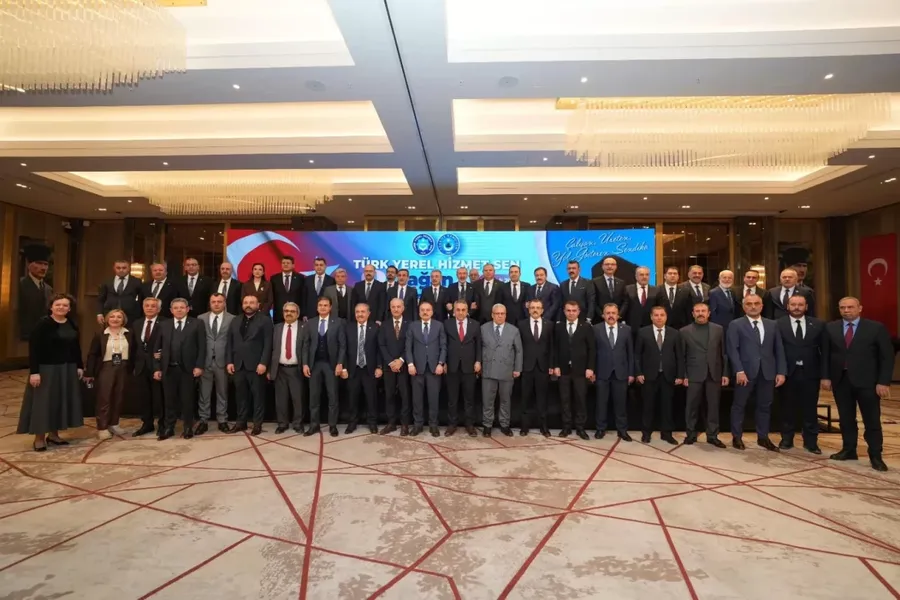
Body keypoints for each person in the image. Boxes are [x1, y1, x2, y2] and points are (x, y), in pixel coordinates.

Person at [821, 296, 893, 471]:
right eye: (843, 308)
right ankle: (849, 449)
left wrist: (883, 382)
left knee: (872, 420)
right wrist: (825, 377)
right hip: (841, 380)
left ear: (860, 308)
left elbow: (887, 357)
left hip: (868, 382)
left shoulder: (876, 328)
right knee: (846, 418)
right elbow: (825, 355)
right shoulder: (830, 327)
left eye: (850, 307)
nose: (846, 310)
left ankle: (875, 455)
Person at [17, 294, 83, 452]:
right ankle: (39, 438)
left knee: (59, 401)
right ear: (51, 307)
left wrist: (79, 366)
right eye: (58, 304)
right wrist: (34, 372)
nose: (61, 307)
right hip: (47, 369)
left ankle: (54, 435)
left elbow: (76, 347)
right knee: (44, 403)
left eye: (65, 305)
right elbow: (34, 349)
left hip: (67, 369)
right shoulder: (43, 324)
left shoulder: (72, 323)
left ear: (69, 308)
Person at [726, 294, 787, 451]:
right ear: (743, 306)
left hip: (768, 372)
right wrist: (739, 370)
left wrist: (781, 372)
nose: (753, 306)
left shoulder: (772, 324)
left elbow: (779, 349)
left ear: (762, 306)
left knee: (765, 406)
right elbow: (732, 350)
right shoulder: (735, 324)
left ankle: (763, 437)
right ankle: (737, 437)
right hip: (745, 373)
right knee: (739, 405)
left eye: (756, 303)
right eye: (749, 304)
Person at [777, 295, 825, 453]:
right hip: (787, 373)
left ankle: (811, 442)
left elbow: (824, 351)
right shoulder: (778, 324)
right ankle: (786, 439)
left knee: (810, 408)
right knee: (787, 407)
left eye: (800, 304)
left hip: (811, 373)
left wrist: (825, 375)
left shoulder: (818, 324)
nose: (797, 307)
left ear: (806, 307)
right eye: (793, 304)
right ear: (788, 306)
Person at [154, 298, 205, 440]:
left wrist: (199, 366)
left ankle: (188, 427)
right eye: (175, 308)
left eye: (182, 307)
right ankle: (169, 428)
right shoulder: (163, 325)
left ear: (187, 309)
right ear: (171, 310)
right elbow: (157, 348)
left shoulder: (197, 323)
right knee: (169, 400)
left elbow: (202, 347)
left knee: (187, 400)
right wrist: (157, 368)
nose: (179, 310)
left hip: (188, 369)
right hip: (168, 369)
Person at [679, 303, 728, 447]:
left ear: (709, 313)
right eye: (697, 311)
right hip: (693, 374)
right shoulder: (684, 331)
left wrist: (725, 373)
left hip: (714, 373)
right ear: (693, 314)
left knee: (713, 406)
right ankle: (691, 434)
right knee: (691, 406)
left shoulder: (718, 329)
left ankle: (712, 435)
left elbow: (724, 353)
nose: (700, 313)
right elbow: (682, 356)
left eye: (703, 311)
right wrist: (684, 375)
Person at [227, 294, 274, 436]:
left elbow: (268, 344)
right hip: (238, 365)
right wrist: (229, 361)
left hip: (256, 366)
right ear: (242, 305)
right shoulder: (235, 320)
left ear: (258, 305)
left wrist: (263, 363)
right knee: (240, 396)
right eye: (246, 302)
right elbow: (230, 342)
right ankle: (241, 423)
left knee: (258, 397)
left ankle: (257, 424)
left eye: (252, 302)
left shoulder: (265, 320)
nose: (248, 305)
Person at [635, 306, 683, 445]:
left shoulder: (675, 333)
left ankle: (666, 434)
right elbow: (637, 355)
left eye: (662, 315)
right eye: (656, 315)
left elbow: (679, 356)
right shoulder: (643, 332)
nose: (659, 317)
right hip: (649, 375)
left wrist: (680, 375)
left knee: (667, 406)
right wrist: (638, 372)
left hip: (668, 376)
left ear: (666, 317)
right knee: (648, 406)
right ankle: (646, 433)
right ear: (651, 317)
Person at [302, 296, 345, 437]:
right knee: (314, 397)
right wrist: (305, 364)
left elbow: (342, 346)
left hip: (331, 365)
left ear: (330, 307)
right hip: (314, 365)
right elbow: (306, 345)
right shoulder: (310, 323)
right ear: (317, 307)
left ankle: (333, 425)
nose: (323, 307)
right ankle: (314, 425)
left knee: (332, 396)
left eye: (326, 305)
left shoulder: (338, 322)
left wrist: (340, 363)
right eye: (320, 305)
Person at [85, 308, 131, 440]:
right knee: (104, 398)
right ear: (107, 319)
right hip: (106, 367)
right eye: (112, 316)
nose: (115, 319)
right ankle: (102, 427)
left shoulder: (129, 333)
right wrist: (89, 372)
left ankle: (114, 424)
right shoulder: (100, 334)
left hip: (123, 367)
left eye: (119, 317)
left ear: (123, 320)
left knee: (118, 396)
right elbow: (92, 354)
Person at [553, 301, 595, 440]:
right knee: (565, 400)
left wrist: (590, 368)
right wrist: (556, 365)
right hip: (563, 370)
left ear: (578, 312)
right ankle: (566, 427)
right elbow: (555, 348)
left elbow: (592, 349)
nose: (571, 313)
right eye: (568, 310)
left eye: (574, 310)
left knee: (580, 399)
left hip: (581, 370)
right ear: (564, 311)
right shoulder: (559, 327)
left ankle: (580, 428)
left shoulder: (586, 327)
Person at [593, 303, 634, 441]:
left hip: (621, 373)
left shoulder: (626, 329)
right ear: (603, 315)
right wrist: (592, 370)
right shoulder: (596, 329)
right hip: (601, 372)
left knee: (620, 404)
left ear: (618, 315)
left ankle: (622, 430)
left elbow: (630, 353)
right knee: (601, 403)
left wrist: (631, 373)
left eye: (613, 313)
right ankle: (600, 429)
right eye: (608, 313)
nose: (611, 315)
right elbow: (592, 352)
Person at [480, 304, 523, 437]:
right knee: (487, 400)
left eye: (502, 314)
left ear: (505, 315)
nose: (500, 316)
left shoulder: (513, 330)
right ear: (492, 315)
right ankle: (487, 425)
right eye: (497, 313)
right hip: (488, 370)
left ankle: (505, 425)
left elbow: (519, 351)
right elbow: (478, 348)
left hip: (507, 371)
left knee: (505, 400)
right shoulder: (483, 328)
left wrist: (517, 368)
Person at [406, 300, 446, 437]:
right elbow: (408, 347)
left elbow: (443, 346)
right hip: (417, 369)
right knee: (417, 400)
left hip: (434, 369)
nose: (425, 312)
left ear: (432, 312)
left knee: (433, 399)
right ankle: (417, 425)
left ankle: (433, 425)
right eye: (422, 310)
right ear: (419, 312)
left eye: (428, 310)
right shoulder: (413, 326)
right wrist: (410, 364)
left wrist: (441, 363)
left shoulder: (439, 325)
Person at [443, 300, 481, 437]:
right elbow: (444, 344)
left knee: (469, 399)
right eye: (458, 310)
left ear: (467, 311)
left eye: (463, 310)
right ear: (453, 311)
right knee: (452, 399)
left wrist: (478, 361)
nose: (460, 312)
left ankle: (469, 425)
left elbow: (478, 345)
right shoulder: (447, 324)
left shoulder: (475, 324)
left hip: (469, 367)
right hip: (452, 366)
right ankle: (452, 425)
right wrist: (443, 362)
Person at [342, 303, 381, 434]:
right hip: (353, 369)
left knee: (371, 398)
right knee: (352, 398)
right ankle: (352, 423)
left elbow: (379, 349)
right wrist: (344, 367)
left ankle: (372, 423)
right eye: (357, 312)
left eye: (363, 312)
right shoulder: (348, 328)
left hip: (370, 369)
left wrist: (379, 366)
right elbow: (343, 349)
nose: (360, 314)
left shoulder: (375, 328)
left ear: (368, 314)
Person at [198, 292, 234, 434]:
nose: (216, 304)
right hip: (205, 361)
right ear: (210, 303)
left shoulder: (232, 319)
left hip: (223, 361)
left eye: (219, 301)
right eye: (213, 301)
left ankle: (222, 420)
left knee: (222, 392)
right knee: (204, 393)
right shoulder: (201, 318)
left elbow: (233, 342)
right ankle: (203, 420)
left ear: (224, 303)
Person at [518, 298, 554, 437]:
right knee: (525, 398)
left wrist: (551, 365)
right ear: (528, 309)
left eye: (538, 308)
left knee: (542, 399)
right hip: (526, 367)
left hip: (543, 367)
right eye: (532, 307)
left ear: (542, 310)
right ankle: (524, 427)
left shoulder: (549, 325)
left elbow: (552, 347)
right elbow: (518, 348)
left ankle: (544, 427)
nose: (535, 310)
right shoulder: (521, 325)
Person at [131, 297, 166, 437]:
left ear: (159, 309)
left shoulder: (165, 323)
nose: (150, 308)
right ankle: (147, 424)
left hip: (158, 365)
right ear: (143, 307)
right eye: (147, 305)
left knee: (160, 397)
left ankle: (163, 424)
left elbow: (168, 343)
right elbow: (134, 346)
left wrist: (163, 355)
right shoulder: (137, 323)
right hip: (141, 366)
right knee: (144, 397)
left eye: (153, 306)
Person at [270, 302, 306, 434]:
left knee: (298, 399)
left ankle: (298, 423)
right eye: (286, 311)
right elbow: (270, 349)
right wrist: (269, 369)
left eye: (292, 311)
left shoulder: (304, 327)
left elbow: (307, 348)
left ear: (297, 314)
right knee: (281, 399)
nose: (289, 313)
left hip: (296, 369)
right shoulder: (276, 328)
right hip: (279, 369)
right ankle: (282, 423)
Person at [379, 298, 412, 435]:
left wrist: (401, 360)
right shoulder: (384, 325)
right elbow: (381, 345)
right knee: (389, 395)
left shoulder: (410, 324)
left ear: (403, 308)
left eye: (398, 307)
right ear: (390, 308)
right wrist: (391, 362)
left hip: (404, 365)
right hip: (389, 367)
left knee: (405, 396)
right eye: (393, 307)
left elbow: (410, 345)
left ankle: (405, 424)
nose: (396, 309)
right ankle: (391, 423)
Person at [17, 243, 54, 341]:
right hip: (23, 339)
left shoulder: (49, 289)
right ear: (28, 264)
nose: (43, 268)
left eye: (45, 264)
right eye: (39, 263)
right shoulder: (19, 285)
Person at [96, 259, 142, 326]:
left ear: (129, 268)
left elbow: (141, 299)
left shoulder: (136, 282)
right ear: (114, 268)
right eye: (118, 268)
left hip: (131, 317)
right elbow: (101, 299)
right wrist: (99, 314)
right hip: (110, 315)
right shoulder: (107, 281)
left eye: (124, 268)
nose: (121, 270)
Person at [621, 266, 656, 337]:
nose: (644, 277)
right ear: (636, 277)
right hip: (632, 327)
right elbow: (624, 307)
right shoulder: (627, 289)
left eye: (647, 274)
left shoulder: (656, 290)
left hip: (650, 327)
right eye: (641, 275)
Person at [271, 255, 305, 325]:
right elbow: (272, 296)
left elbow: (303, 296)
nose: (285, 264)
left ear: (293, 265)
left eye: (288, 263)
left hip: (295, 313)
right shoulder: (274, 278)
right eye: (283, 263)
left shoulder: (300, 278)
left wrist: (303, 313)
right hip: (279, 314)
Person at [655, 265, 690, 330]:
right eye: (670, 273)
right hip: (661, 326)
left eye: (675, 273)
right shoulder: (656, 290)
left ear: (678, 277)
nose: (673, 275)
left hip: (681, 327)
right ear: (665, 276)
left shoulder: (685, 291)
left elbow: (688, 311)